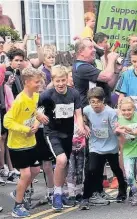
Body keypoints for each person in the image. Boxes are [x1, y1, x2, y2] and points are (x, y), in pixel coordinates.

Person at [37, 66, 85, 211]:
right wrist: (39, 115)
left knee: (64, 164)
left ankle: (61, 191)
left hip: (68, 133)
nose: (60, 84)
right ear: (53, 81)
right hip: (52, 133)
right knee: (62, 160)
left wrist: (81, 126)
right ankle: (56, 195)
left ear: (67, 79)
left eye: (63, 80)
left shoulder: (74, 94)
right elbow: (37, 111)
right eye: (57, 81)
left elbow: (78, 114)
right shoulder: (47, 95)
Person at [4, 68, 42, 217]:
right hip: (17, 144)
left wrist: (37, 124)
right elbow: (7, 121)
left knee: (35, 171)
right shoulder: (19, 100)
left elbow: (35, 112)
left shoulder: (35, 96)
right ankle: (17, 207)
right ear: (26, 82)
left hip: (30, 141)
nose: (39, 84)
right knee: (25, 174)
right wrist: (24, 129)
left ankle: (17, 192)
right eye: (36, 82)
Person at [81, 87, 127, 209]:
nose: (95, 105)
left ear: (103, 101)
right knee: (93, 168)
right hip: (95, 146)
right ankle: (97, 192)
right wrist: (84, 125)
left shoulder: (110, 112)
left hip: (110, 146)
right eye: (92, 102)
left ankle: (122, 189)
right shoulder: (86, 110)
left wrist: (119, 131)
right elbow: (80, 116)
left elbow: (115, 130)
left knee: (116, 169)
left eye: (98, 102)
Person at [115, 97, 137, 206]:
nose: (126, 112)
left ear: (134, 109)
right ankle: (135, 193)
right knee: (129, 175)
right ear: (120, 110)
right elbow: (120, 139)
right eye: (124, 110)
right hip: (128, 151)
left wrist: (130, 131)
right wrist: (118, 133)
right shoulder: (118, 120)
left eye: (129, 110)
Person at [72, 38, 119, 107]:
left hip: (101, 109)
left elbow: (109, 84)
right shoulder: (81, 67)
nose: (94, 50)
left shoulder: (90, 65)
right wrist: (111, 59)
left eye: (93, 47)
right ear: (81, 52)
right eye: (90, 48)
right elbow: (107, 76)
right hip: (90, 111)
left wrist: (116, 70)